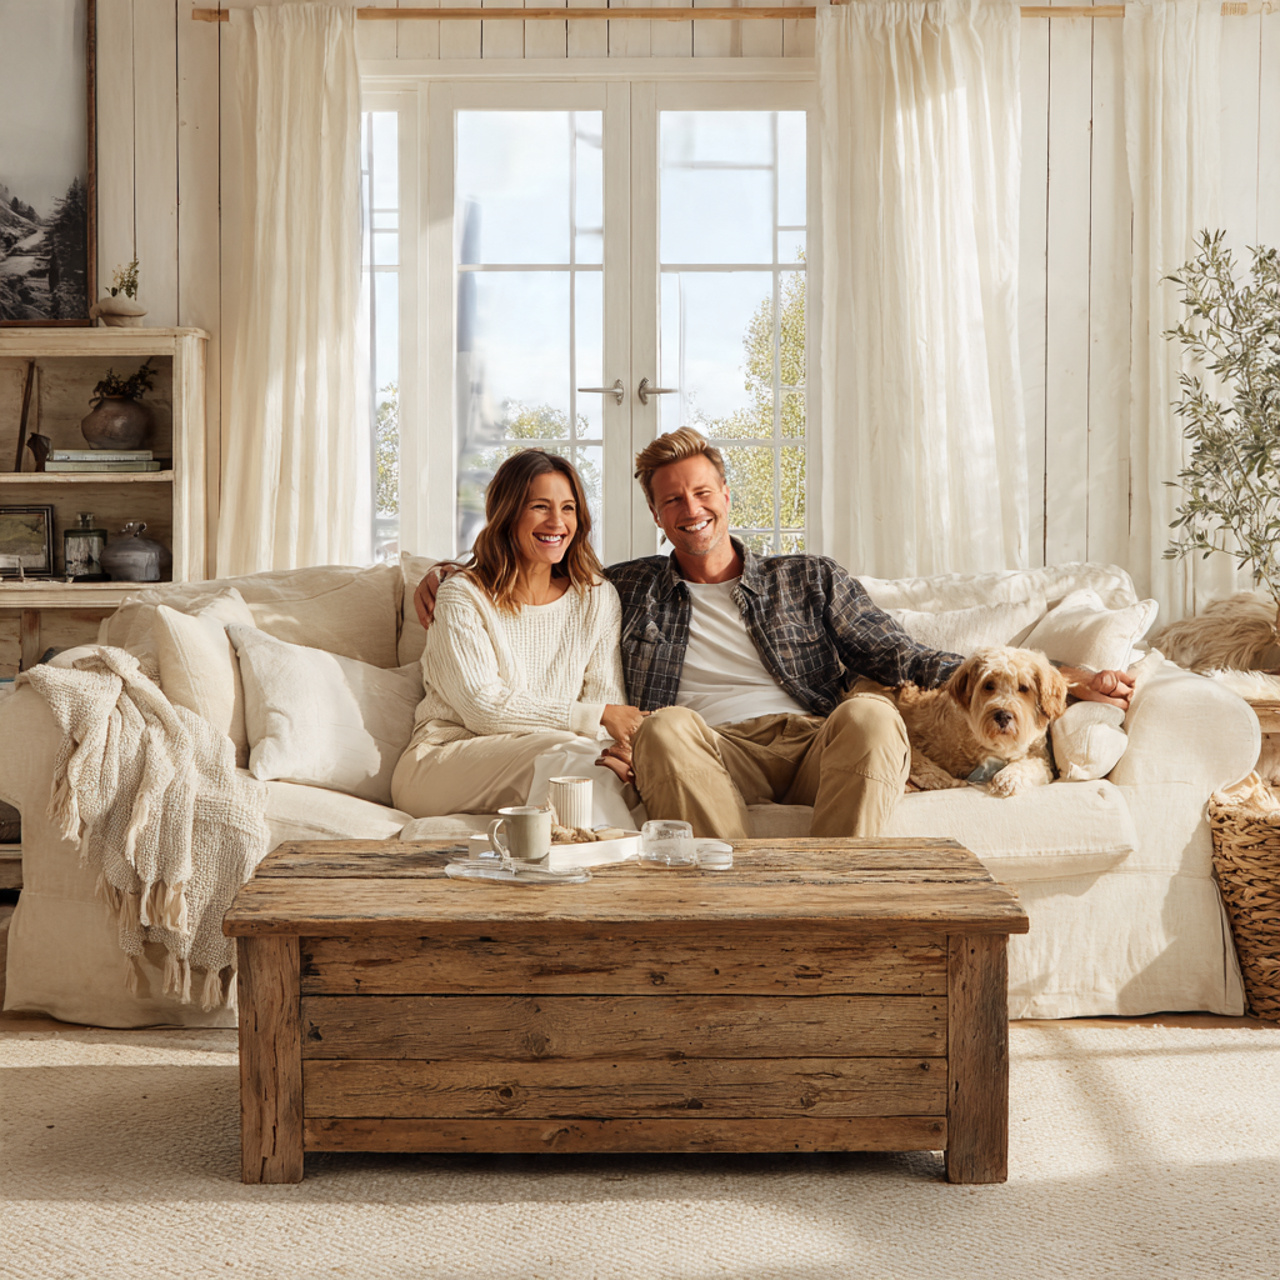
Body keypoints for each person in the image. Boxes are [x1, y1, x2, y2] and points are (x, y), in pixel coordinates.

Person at [416, 428, 1135, 839]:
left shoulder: (808, 579)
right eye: (673, 502)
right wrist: (456, 571)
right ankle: (736, 907)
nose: (691, 509)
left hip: (811, 737)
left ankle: (830, 903)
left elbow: (905, 657)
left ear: (726, 496)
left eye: (702, 493)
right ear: (658, 519)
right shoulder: (623, 588)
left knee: (874, 713)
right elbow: (537, 567)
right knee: (663, 728)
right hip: (713, 747)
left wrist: (1071, 679)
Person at [390, 449, 647, 826]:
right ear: (508, 513)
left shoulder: (596, 597)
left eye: (569, 508)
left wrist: (613, 748)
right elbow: (483, 707)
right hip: (442, 763)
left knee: (595, 767)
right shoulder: (462, 594)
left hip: (556, 756)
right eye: (540, 507)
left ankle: (574, 869)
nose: (557, 522)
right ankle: (613, 871)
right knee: (571, 758)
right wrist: (598, 719)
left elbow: (603, 698)